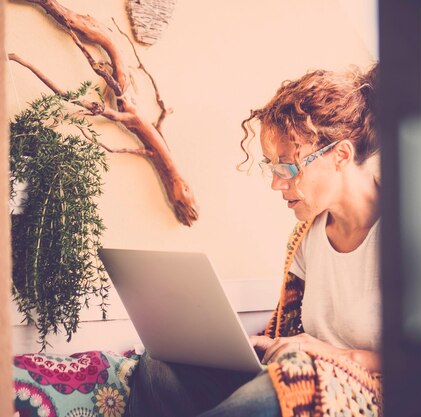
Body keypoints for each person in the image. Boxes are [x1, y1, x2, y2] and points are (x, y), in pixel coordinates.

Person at [126, 63, 382, 417]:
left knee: (274, 395)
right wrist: (254, 347)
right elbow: (287, 331)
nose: (277, 183)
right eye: (271, 168)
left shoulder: (406, 235)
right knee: (158, 366)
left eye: (287, 167)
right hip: (299, 373)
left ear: (340, 155)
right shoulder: (307, 236)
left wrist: (339, 356)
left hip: (367, 392)